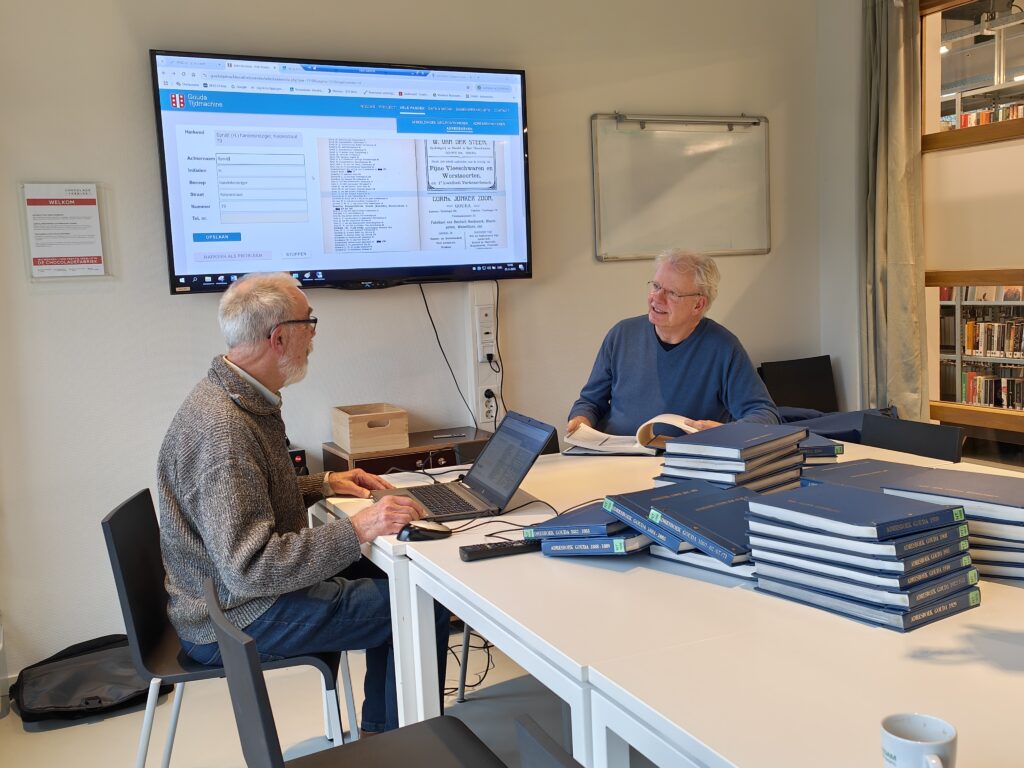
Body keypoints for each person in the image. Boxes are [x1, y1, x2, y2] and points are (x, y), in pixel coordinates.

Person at [157, 272, 449, 734]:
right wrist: (359, 528)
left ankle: (382, 734)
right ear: (278, 338)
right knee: (420, 603)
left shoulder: (239, 396)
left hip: (229, 598)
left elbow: (250, 497)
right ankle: (401, 746)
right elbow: (250, 568)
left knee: (395, 580)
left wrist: (323, 484)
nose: (313, 335)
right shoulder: (224, 431)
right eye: (308, 322)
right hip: (234, 617)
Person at [567, 249, 779, 436]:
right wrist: (580, 420)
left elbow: (765, 414)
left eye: (672, 293)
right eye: (656, 286)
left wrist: (726, 432)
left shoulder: (723, 347)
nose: (657, 298)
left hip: (683, 461)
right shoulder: (621, 335)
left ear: (698, 305)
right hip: (615, 456)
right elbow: (590, 402)